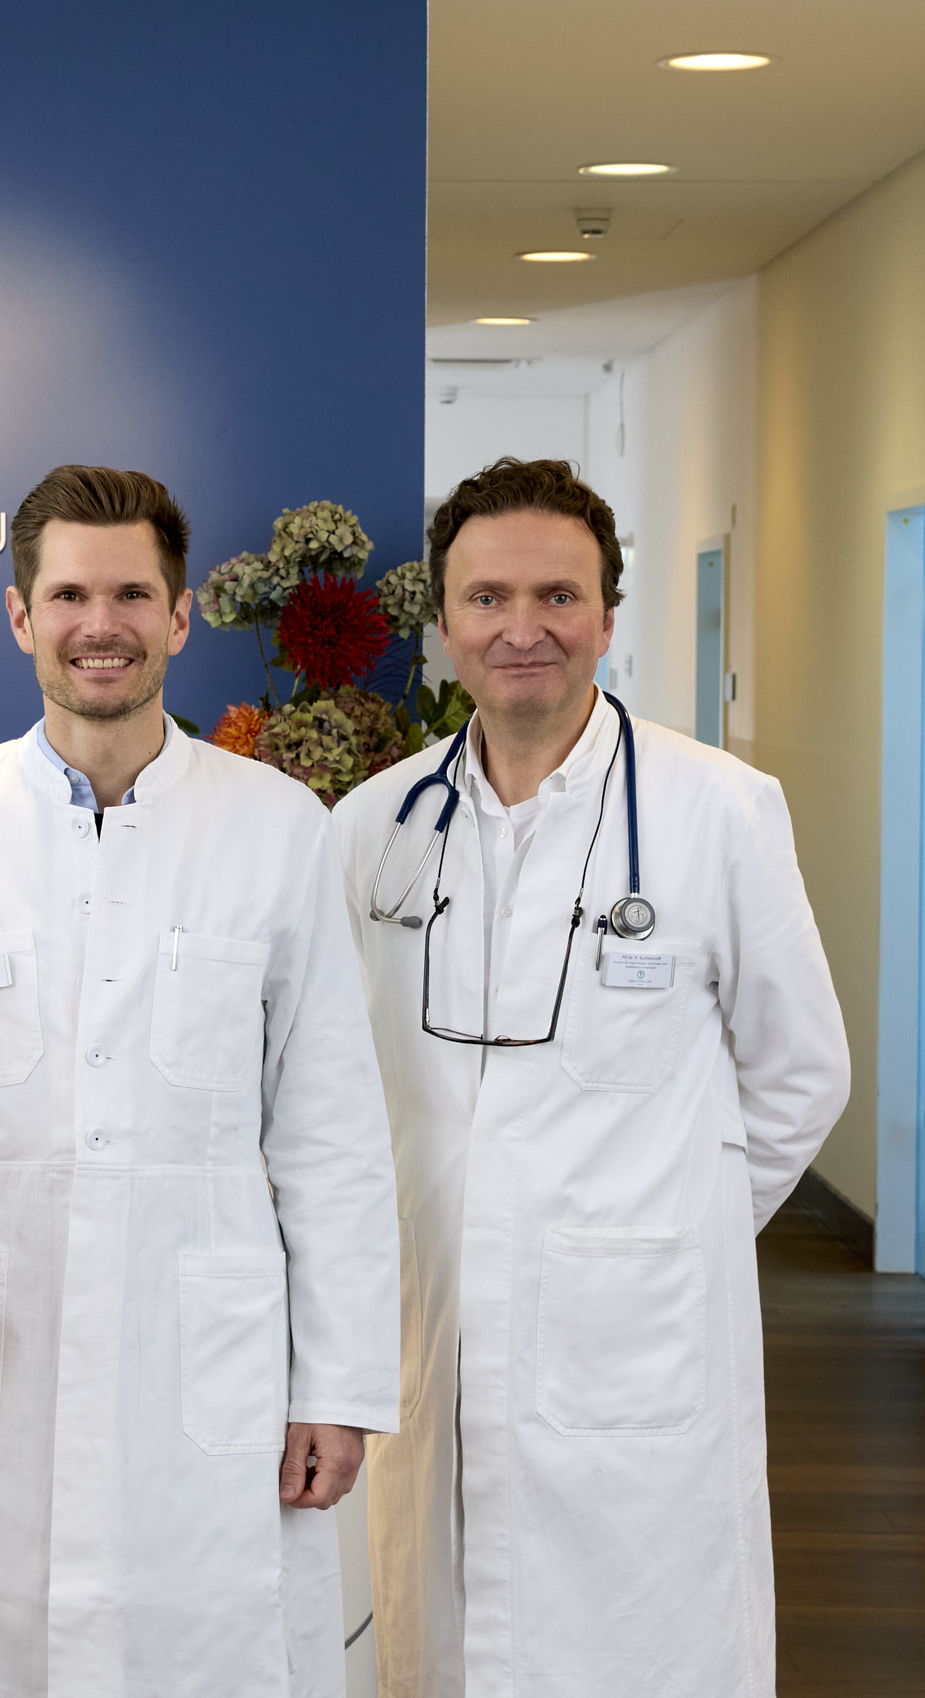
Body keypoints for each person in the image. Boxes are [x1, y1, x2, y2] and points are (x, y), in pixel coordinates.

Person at [0, 465, 400, 1698]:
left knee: (207, 1656)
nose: (101, 624)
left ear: (179, 617)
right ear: (20, 616)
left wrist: (339, 1384)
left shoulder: (279, 826)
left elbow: (331, 1124)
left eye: (132, 594)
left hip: (210, 1372)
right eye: (69, 595)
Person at [331, 457, 849, 1697]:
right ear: (444, 623)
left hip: (639, 1342)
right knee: (441, 1637)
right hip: (433, 1317)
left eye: (558, 596)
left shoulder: (719, 811)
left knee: (642, 1642)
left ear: (608, 617)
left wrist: (666, 1230)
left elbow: (802, 1075)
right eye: (489, 598)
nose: (524, 628)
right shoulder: (372, 827)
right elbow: (332, 1081)